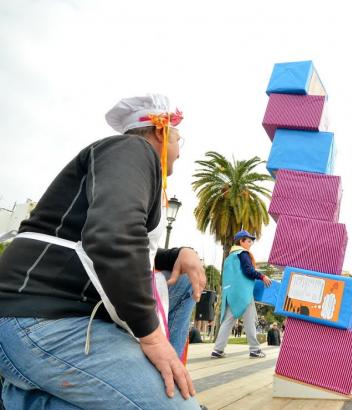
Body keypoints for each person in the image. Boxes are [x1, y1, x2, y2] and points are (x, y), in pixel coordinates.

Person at [0, 94, 206, 408]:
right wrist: (152, 338)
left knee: (180, 284)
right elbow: (112, 236)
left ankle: (168, 378)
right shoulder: (132, 150)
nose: (180, 151)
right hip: (35, 318)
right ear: (161, 132)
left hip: (41, 317)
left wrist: (178, 253)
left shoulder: (125, 162)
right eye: (179, 138)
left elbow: (114, 239)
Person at [211, 230, 271, 359]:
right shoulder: (243, 253)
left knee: (227, 321)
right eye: (248, 241)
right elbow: (248, 271)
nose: (250, 244)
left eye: (251, 241)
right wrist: (262, 276)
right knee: (250, 320)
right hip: (243, 293)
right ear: (241, 241)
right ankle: (255, 349)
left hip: (230, 293)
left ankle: (217, 350)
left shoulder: (229, 257)